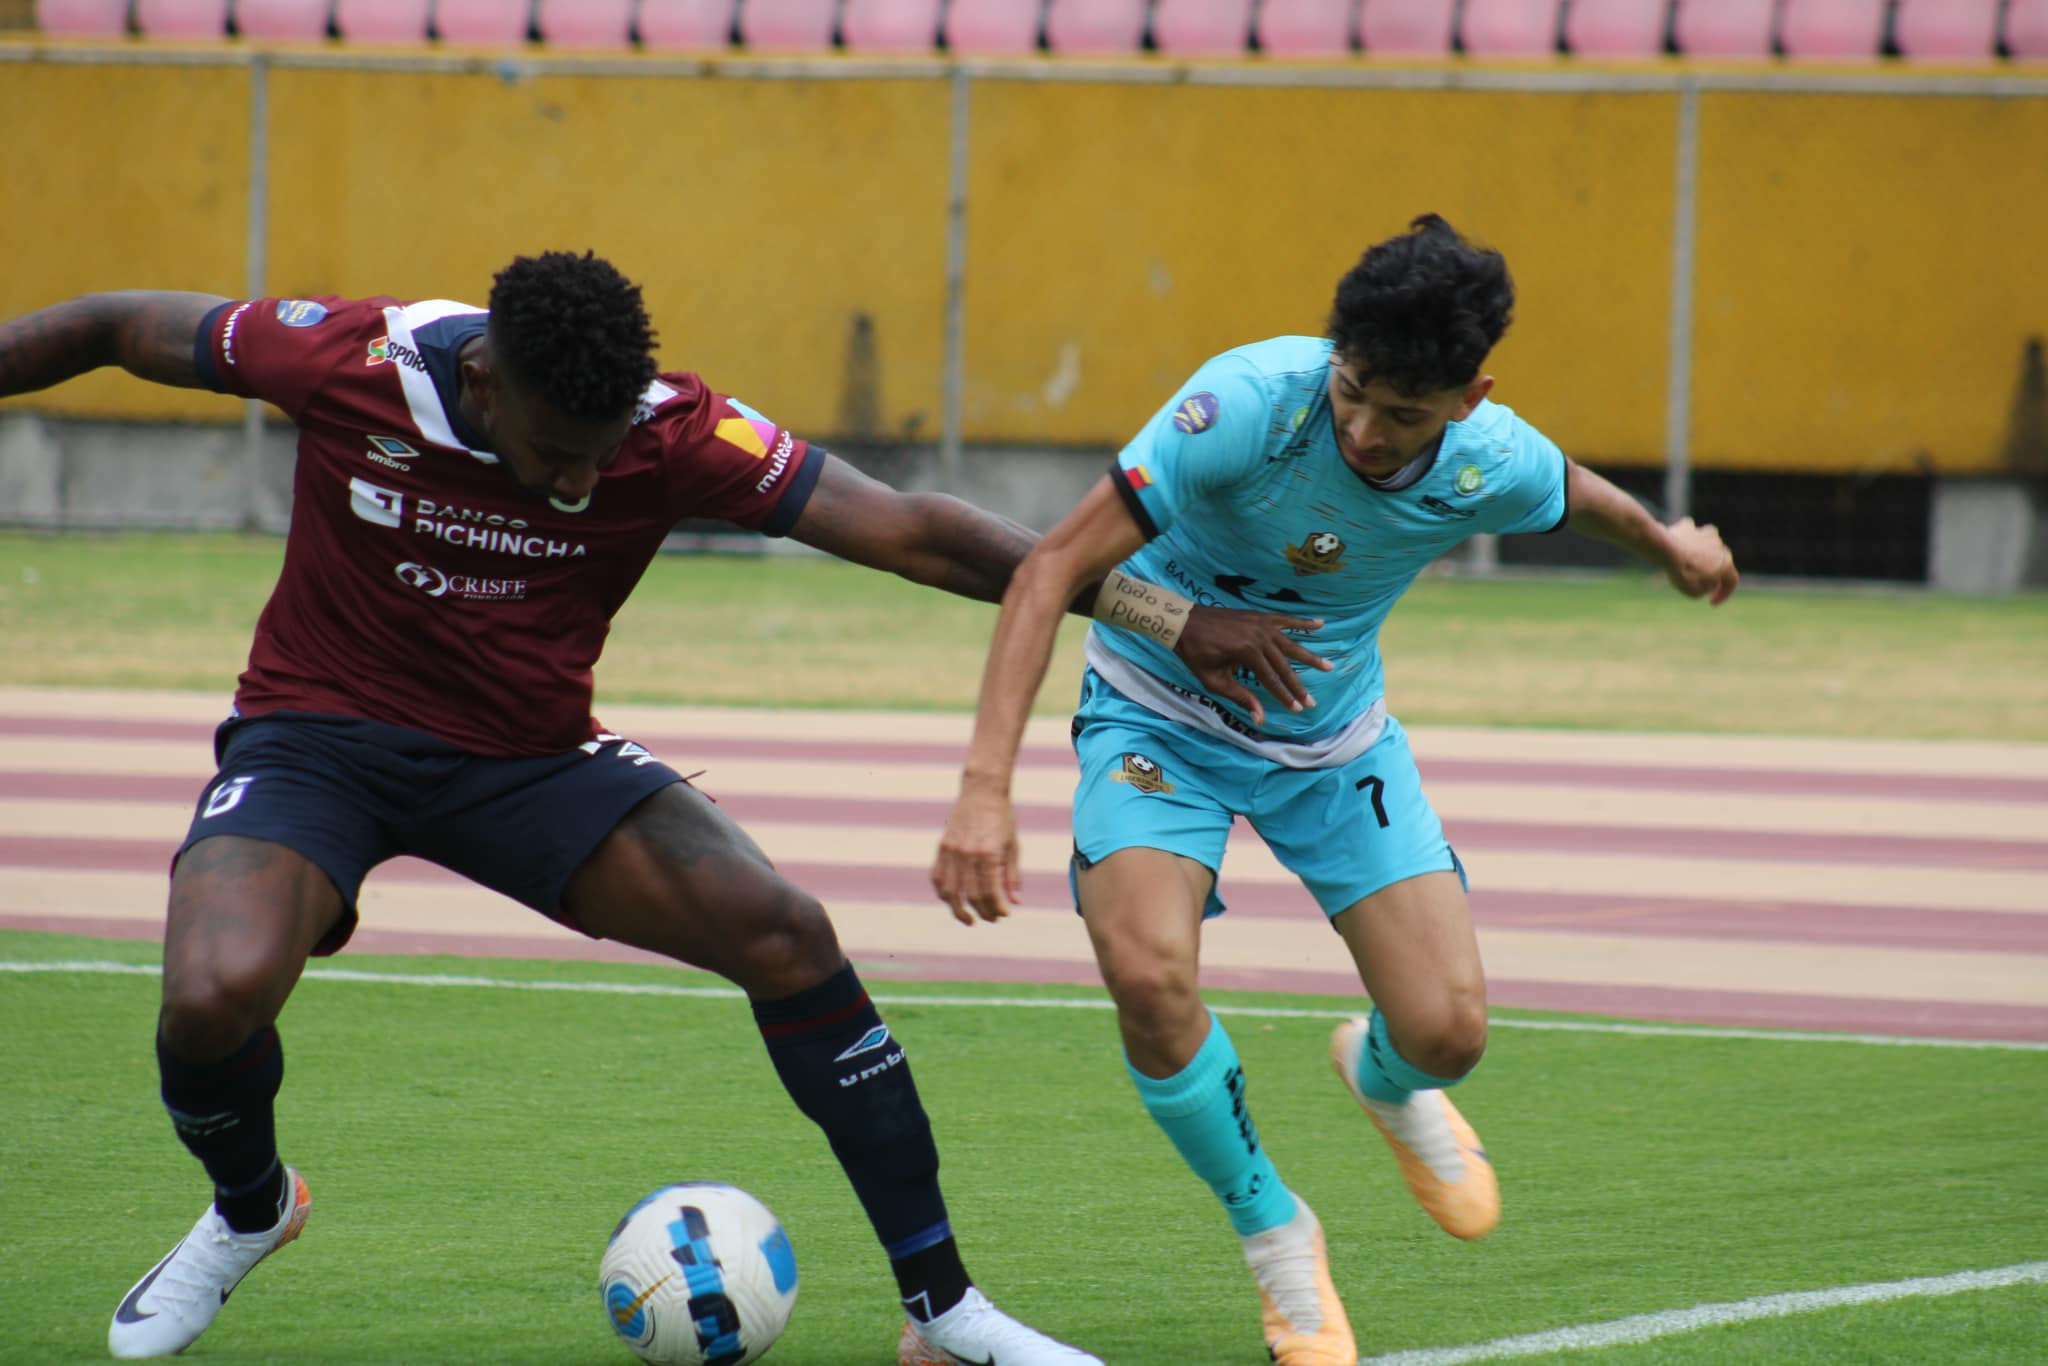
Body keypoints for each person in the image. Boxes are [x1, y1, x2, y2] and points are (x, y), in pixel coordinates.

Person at [0, 251, 1320, 1364]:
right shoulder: (348, 361)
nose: (580, 481)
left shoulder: (671, 428)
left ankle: (947, 1307)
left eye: (599, 453)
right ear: (481, 383)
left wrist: (1166, 612)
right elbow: (123, 326)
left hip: (529, 758)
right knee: (211, 993)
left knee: (787, 930)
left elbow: (916, 529)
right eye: (554, 454)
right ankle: (249, 1207)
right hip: (320, 741)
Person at [929, 214, 1741, 1364]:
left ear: (1467, 397)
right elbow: (1051, 563)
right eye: (1352, 390)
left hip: (1333, 746)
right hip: (1153, 714)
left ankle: (1382, 1076)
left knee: (1448, 1032)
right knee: (1147, 974)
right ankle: (1275, 1236)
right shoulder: (1245, 406)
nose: (1362, 429)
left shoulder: (1484, 455)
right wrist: (981, 789)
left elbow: (1568, 488)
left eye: (1400, 411)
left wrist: (1667, 543)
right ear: (1332, 353)